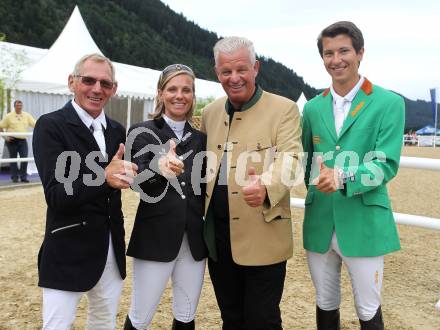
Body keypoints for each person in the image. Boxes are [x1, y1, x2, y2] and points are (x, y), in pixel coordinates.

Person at [301, 21, 405, 329]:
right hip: (319, 220)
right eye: (328, 53)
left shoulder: (388, 103)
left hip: (364, 222)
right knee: (325, 303)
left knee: (367, 307)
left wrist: (343, 176)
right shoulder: (312, 109)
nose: (336, 60)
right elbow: (304, 160)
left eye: (344, 50)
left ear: (360, 53)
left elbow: (385, 164)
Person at [201, 36, 302, 329]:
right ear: (217, 73)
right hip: (218, 240)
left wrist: (267, 185)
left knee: (262, 320)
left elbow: (292, 159)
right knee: (230, 319)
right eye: (226, 72)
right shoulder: (210, 113)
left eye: (241, 69)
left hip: (263, 237)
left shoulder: (284, 109)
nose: (234, 78)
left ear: (256, 68)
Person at [32, 53, 137, 330]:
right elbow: (56, 194)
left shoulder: (118, 130)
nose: (97, 89)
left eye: (105, 83)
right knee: (57, 325)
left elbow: (131, 178)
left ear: (113, 89)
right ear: (72, 82)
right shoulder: (50, 125)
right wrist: (103, 176)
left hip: (110, 249)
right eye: (88, 80)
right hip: (67, 248)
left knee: (103, 323)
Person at [123, 64, 207, 330]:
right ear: (160, 93)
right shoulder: (141, 131)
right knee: (141, 316)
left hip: (193, 240)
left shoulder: (201, 139)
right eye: (172, 89)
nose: (179, 95)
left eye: (186, 90)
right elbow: (137, 183)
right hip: (154, 237)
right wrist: (158, 168)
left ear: (193, 95)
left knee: (186, 315)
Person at [0, 100, 36, 182]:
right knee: (13, 159)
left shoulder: (27, 115)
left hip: (23, 140)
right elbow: (1, 126)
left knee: (24, 158)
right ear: (14, 106)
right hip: (12, 140)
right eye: (17, 105)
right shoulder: (9, 116)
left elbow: (35, 124)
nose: (19, 107)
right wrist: (5, 137)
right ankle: (14, 178)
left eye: (20, 105)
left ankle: (23, 177)